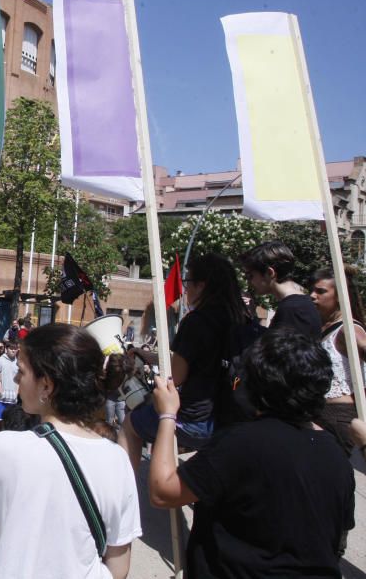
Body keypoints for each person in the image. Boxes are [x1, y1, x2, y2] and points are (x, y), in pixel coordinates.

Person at [148, 328, 355, 578]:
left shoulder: (241, 443)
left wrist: (167, 415)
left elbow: (163, 492)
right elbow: (337, 538)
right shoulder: (336, 454)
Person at [0, 323, 140, 579]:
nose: (14, 379)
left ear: (46, 385)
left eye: (21, 372)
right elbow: (119, 567)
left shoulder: (5, 449)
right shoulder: (118, 460)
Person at [119, 253, 247, 470]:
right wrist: (150, 355)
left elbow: (176, 376)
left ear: (202, 285)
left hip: (195, 420)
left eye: (188, 282)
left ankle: (124, 493)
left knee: (130, 425)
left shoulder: (197, 321)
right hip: (231, 417)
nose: (185, 289)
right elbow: (201, 363)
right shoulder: (241, 318)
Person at [309, 266, 366, 453]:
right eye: (312, 290)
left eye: (321, 291)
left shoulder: (348, 330)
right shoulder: (327, 328)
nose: (312, 295)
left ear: (340, 296)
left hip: (340, 417)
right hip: (322, 413)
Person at [240, 240, 321, 338]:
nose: (249, 282)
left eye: (250, 276)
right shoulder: (297, 304)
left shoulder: (292, 310)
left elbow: (280, 351)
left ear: (270, 273)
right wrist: (251, 317)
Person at [0, 341, 20, 435]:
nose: (13, 350)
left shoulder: (18, 362)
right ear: (6, 349)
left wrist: (17, 392)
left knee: (7, 422)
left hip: (13, 398)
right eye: (11, 348)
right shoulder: (0, 361)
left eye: (15, 348)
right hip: (0, 398)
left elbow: (19, 379)